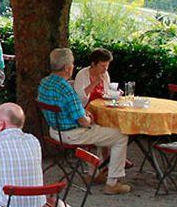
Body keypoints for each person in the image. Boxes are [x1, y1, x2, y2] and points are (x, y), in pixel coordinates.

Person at [38, 48, 131, 195]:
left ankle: (95, 173)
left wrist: (86, 116)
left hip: (54, 130)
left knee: (101, 130)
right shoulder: (67, 89)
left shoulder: (44, 83)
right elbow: (83, 122)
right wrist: (89, 118)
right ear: (68, 68)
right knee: (120, 136)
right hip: (71, 133)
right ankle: (112, 182)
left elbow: (73, 111)